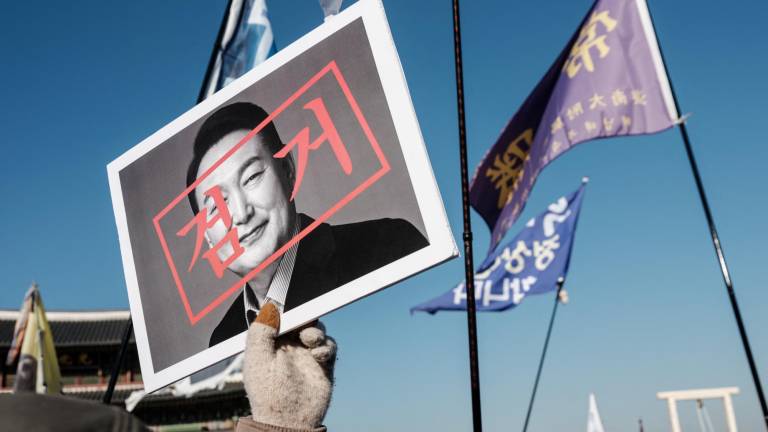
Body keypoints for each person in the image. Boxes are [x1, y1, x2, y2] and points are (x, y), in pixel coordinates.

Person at [186, 102, 428, 347]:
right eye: (217, 206)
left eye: (252, 177)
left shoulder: (390, 246)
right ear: (207, 238)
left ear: (288, 170)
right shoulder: (223, 339)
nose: (240, 214)